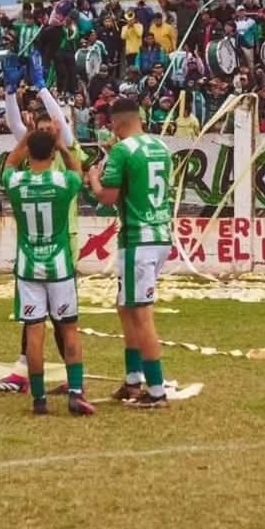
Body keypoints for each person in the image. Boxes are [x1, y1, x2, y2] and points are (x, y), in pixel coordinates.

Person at [0, 51, 86, 394]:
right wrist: (10, 92)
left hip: (64, 239)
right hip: (47, 244)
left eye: (49, 128)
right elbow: (18, 128)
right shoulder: (49, 158)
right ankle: (34, 375)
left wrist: (43, 88)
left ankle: (36, 377)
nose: (44, 132)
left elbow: (59, 130)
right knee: (44, 317)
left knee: (55, 319)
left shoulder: (64, 148)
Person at [87, 97, 175, 408]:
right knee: (125, 306)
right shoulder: (160, 146)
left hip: (139, 238)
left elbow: (108, 197)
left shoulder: (122, 151)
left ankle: (156, 390)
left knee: (140, 313)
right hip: (160, 232)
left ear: (117, 123)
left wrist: (94, 179)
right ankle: (134, 379)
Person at [0, 130, 95, 416]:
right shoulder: (62, 182)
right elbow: (78, 171)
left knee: (34, 331)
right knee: (69, 329)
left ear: (29, 153)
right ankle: (76, 393)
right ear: (53, 154)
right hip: (59, 267)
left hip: (29, 267)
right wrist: (63, 147)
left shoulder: (16, 182)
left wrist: (25, 138)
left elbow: (9, 164)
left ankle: (39, 399)